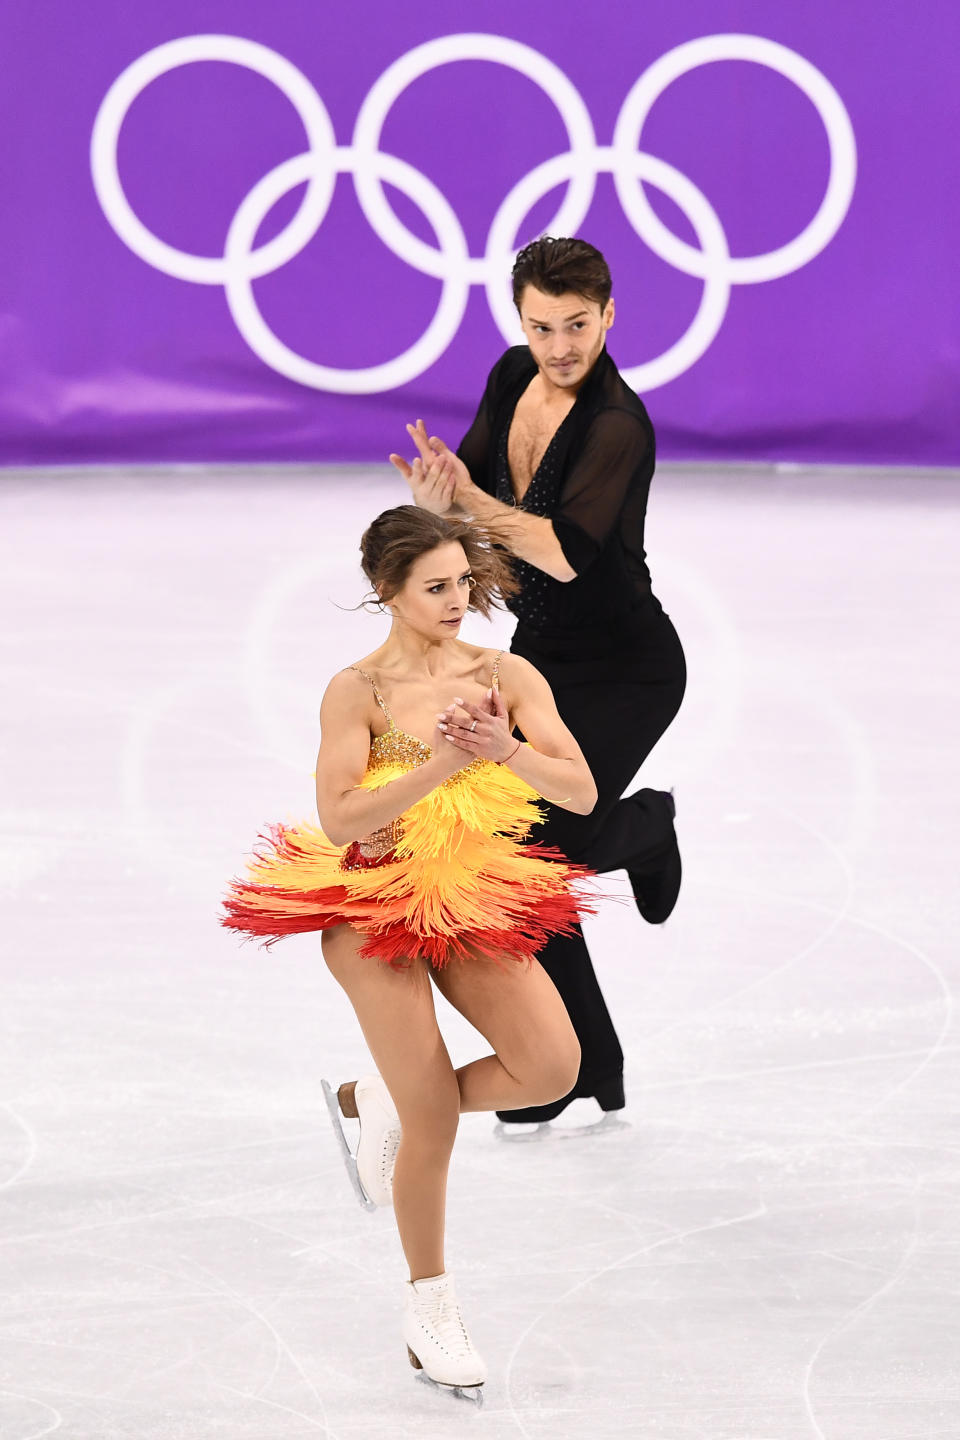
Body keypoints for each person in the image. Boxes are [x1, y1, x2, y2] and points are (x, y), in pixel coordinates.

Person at [222, 505, 598, 1398]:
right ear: (386, 592)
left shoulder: (504, 672)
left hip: (468, 887)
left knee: (551, 1067)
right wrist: (437, 764)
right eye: (436, 587)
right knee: (434, 1120)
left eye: (464, 581)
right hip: (365, 904)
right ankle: (430, 1308)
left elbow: (580, 792)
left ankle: (378, 1098)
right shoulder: (358, 689)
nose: (458, 600)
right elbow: (343, 818)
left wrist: (503, 748)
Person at [389, 235, 686, 1128]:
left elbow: (559, 552)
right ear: (520, 320)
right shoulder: (511, 374)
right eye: (542, 325)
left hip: (629, 665)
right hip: (539, 660)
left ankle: (645, 826)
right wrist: (440, 496)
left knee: (548, 844)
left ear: (609, 316)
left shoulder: (617, 425)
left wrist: (470, 507)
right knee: (517, 857)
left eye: (579, 326)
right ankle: (586, 1061)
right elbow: (474, 492)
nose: (560, 346)